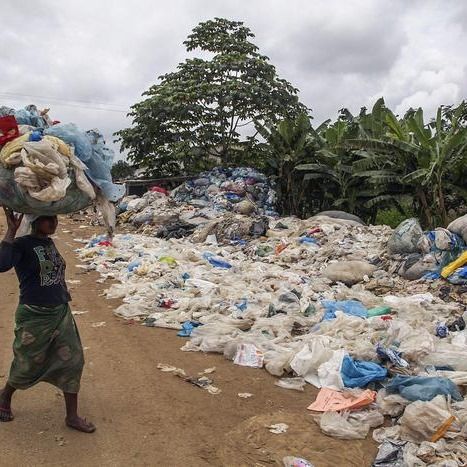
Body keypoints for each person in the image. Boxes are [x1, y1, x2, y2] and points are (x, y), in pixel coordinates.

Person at [0, 207, 95, 433]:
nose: (53, 222)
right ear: (34, 221)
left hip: (60, 312)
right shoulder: (23, 244)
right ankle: (5, 395)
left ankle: (72, 416)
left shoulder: (49, 243)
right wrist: (10, 232)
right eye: (47, 219)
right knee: (27, 363)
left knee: (73, 361)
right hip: (34, 315)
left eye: (54, 218)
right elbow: (2, 265)